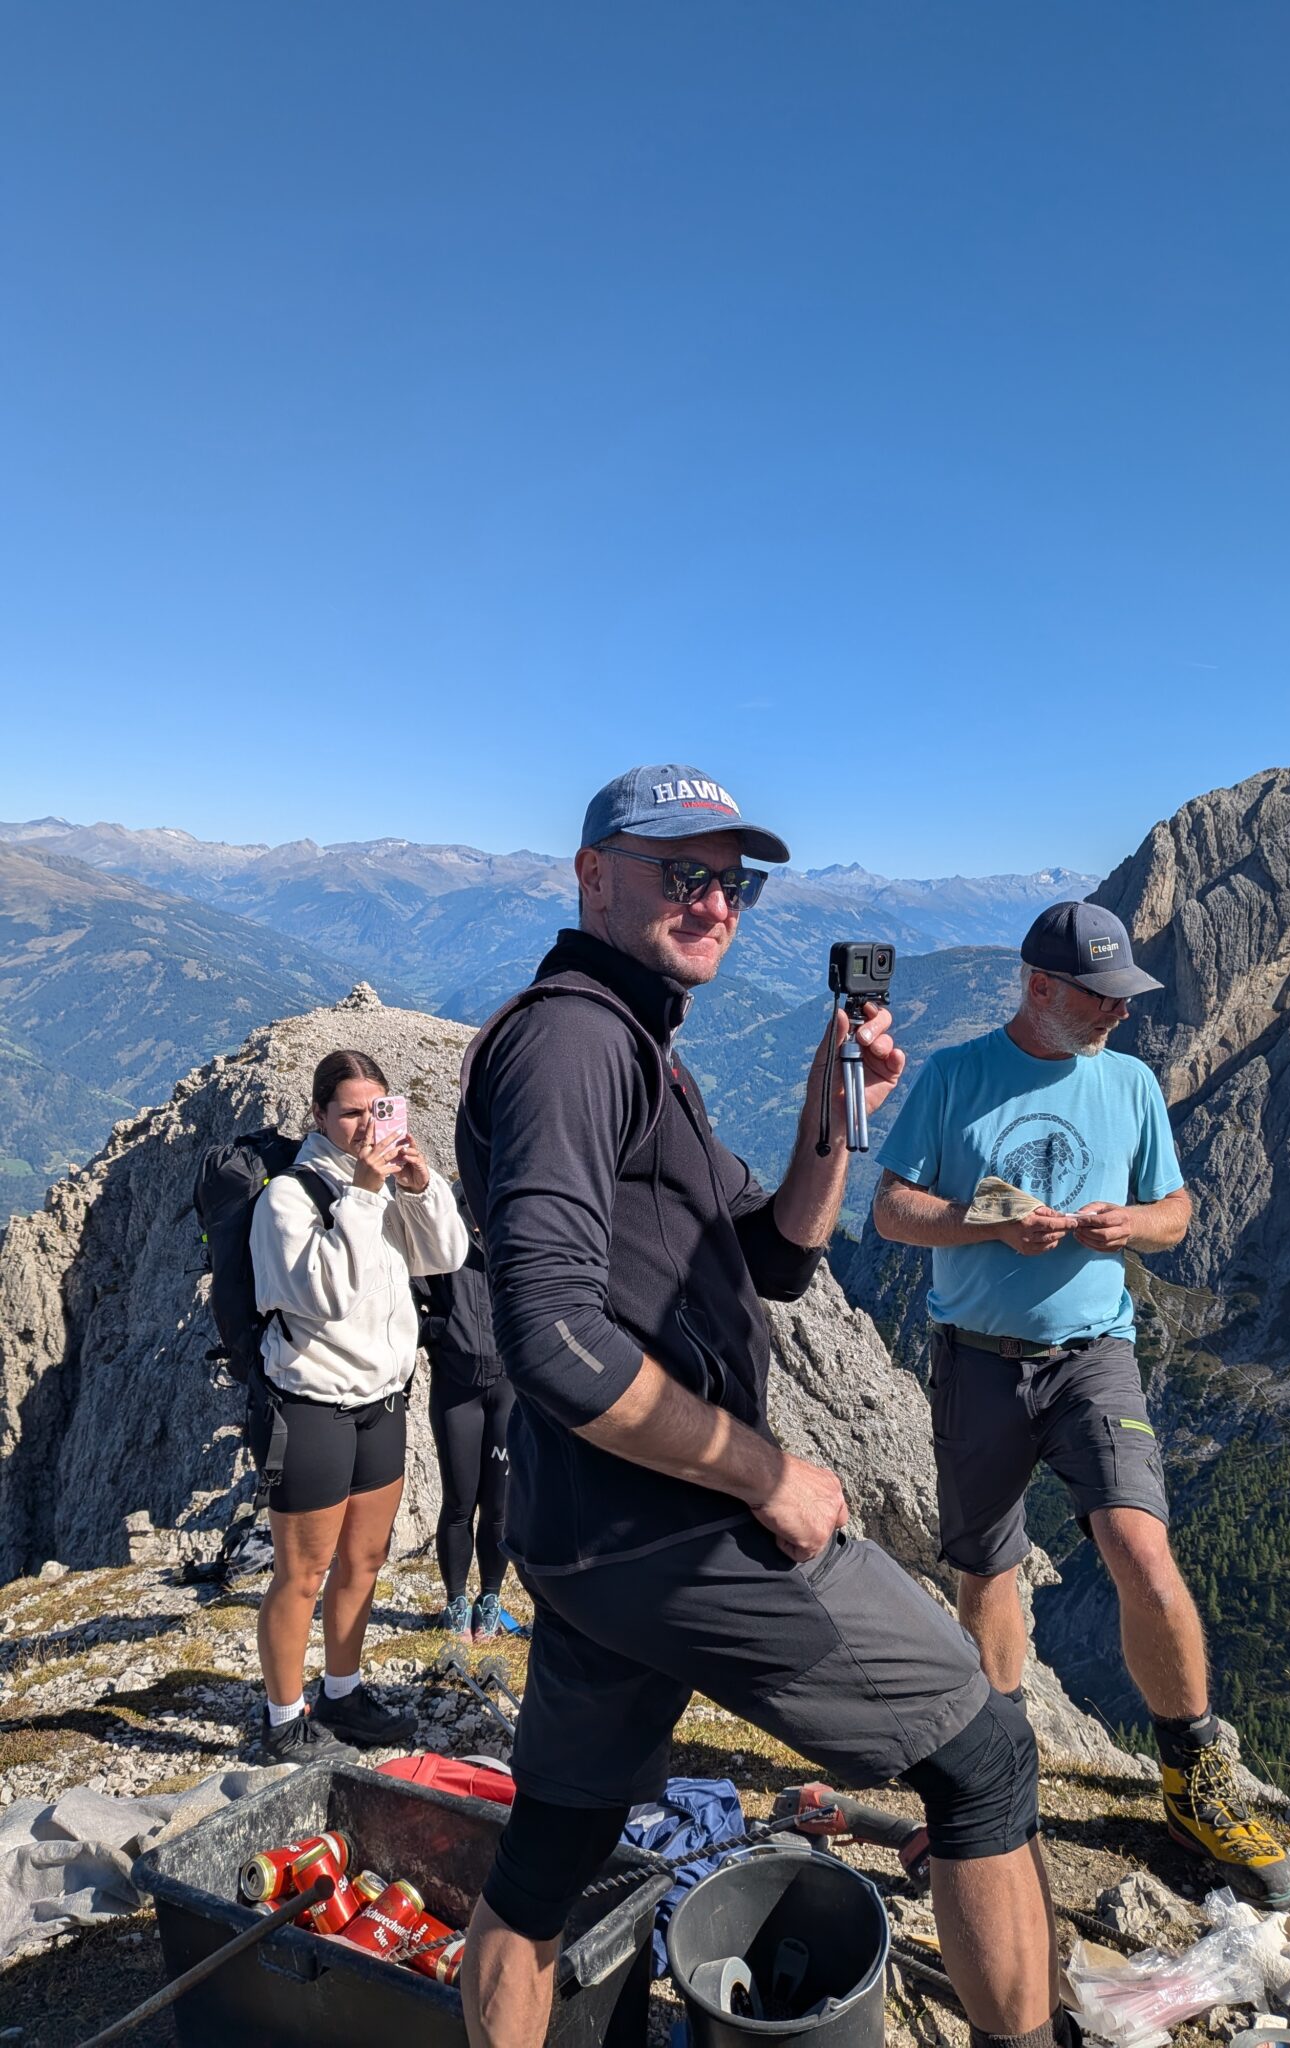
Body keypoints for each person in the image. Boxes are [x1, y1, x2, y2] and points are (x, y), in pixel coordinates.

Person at [455, 765, 1069, 2048]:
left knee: (550, 1851)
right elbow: (556, 1338)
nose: (716, 902)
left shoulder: (640, 1046)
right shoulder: (575, 1041)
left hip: (588, 1536)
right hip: (677, 1530)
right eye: (683, 871)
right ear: (593, 875)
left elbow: (776, 1252)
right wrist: (764, 1472)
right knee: (987, 1756)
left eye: (736, 882)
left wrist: (831, 1108)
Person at [871, 900, 1290, 1905]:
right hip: (977, 1359)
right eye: (1101, 996)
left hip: (1095, 1354)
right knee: (987, 1568)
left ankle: (1194, 1778)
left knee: (1141, 1548)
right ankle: (995, 1776)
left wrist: (1130, 1227)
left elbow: (1177, 1210)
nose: (1119, 1012)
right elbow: (891, 1208)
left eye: (1122, 996)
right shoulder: (956, 1074)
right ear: (1039, 987)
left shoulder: (1131, 1082)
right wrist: (990, 1223)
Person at [249, 1048, 469, 1760]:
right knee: (302, 1573)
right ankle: (284, 1719)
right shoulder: (289, 1198)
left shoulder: (375, 1186)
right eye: (349, 1113)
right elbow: (328, 1296)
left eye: (377, 1110)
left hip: (382, 1400)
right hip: (312, 1406)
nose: (365, 1126)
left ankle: (342, 1694)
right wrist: (368, 1194)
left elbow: (446, 1255)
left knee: (364, 1561)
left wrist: (420, 1186)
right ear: (318, 1114)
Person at [413, 1183, 516, 1640]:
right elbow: (409, 1296)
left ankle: (490, 1597)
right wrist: (443, 1330)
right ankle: (456, 1601)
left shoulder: (512, 1219)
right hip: (456, 1387)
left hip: (508, 1387)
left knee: (499, 1505)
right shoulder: (440, 1221)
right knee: (458, 1502)